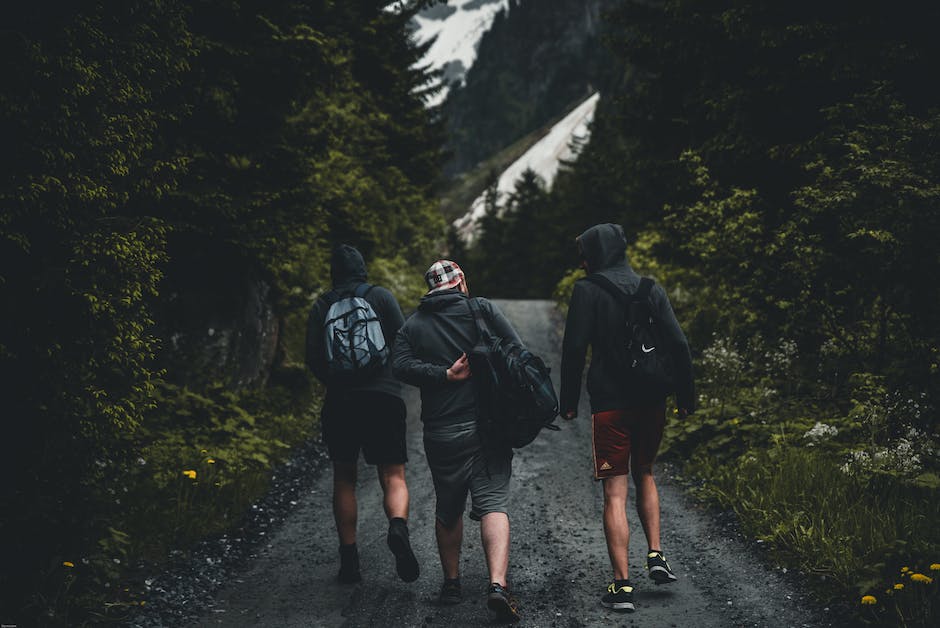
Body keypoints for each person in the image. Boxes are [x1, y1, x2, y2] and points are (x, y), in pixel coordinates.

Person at [559, 223, 695, 613]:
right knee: (646, 472)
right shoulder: (651, 288)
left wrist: (568, 402)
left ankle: (622, 587)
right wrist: (686, 398)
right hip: (653, 399)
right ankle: (655, 553)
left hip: (610, 404)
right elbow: (679, 344)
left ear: (595, 254)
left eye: (584, 254)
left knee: (614, 492)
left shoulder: (587, 291)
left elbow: (573, 350)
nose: (582, 262)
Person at [392, 260, 521, 624]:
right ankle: (497, 585)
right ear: (460, 279)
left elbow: (398, 366)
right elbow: (517, 351)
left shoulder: (413, 325)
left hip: (440, 433)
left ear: (431, 288)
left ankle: (451, 583)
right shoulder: (481, 310)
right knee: (493, 503)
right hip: (486, 428)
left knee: (448, 508)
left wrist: (442, 375)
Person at [305, 244, 419, 585]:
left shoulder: (322, 305)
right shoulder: (381, 297)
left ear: (333, 272)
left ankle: (350, 562)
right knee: (393, 475)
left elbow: (313, 358)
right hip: (383, 398)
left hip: (341, 402)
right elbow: (404, 343)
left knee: (344, 478)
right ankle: (397, 527)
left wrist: (337, 381)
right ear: (362, 269)